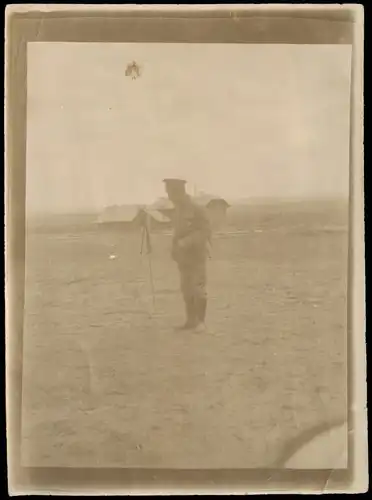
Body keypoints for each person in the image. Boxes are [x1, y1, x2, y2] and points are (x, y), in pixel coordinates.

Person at [163, 178, 211, 332]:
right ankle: (190, 321)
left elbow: (204, 231)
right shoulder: (177, 210)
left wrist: (186, 242)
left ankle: (201, 322)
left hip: (196, 255)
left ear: (179, 192)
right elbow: (177, 233)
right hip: (183, 258)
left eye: (170, 193)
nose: (168, 196)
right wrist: (174, 249)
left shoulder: (196, 209)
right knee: (186, 289)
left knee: (198, 287)